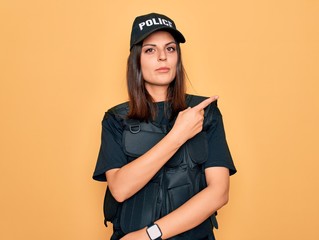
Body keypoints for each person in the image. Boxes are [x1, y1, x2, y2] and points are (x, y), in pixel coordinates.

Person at [93, 12, 237, 240]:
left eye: (170, 49)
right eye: (151, 50)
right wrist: (177, 135)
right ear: (137, 60)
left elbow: (219, 193)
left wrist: (150, 234)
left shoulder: (204, 112)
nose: (163, 57)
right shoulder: (115, 120)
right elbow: (119, 189)